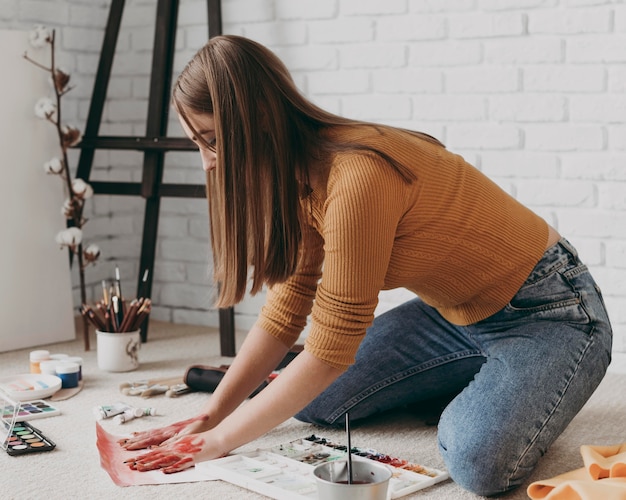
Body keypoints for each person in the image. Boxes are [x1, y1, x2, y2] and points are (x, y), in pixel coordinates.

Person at [119, 34, 613, 496]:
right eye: (196, 143)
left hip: (550, 312)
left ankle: (501, 387)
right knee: (316, 403)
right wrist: (210, 417)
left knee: (478, 461)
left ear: (257, 123)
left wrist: (223, 442)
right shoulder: (296, 175)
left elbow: (331, 349)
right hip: (454, 314)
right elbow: (285, 312)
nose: (207, 162)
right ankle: (479, 376)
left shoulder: (358, 176)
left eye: (211, 141)